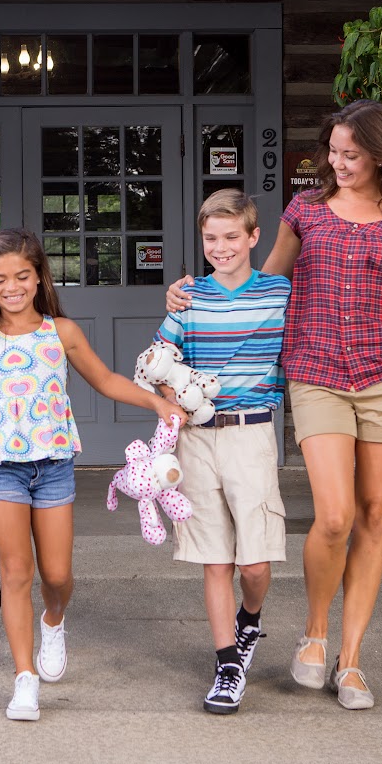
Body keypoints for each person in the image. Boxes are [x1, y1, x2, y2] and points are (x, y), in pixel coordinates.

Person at [168, 100, 382, 710]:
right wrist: (190, 297)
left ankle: (351, 659)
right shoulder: (306, 211)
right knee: (336, 514)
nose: (338, 163)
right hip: (317, 374)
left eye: (352, 154)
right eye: (333, 152)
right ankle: (313, 633)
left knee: (375, 513)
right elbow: (259, 283)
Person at [0, 228, 187, 722]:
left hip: (53, 470)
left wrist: (156, 401)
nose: (12, 287)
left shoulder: (61, 332)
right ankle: (24, 679)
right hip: (2, 471)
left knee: (56, 575)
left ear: (39, 277)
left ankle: (54, 620)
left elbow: (107, 380)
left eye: (22, 276)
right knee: (16, 572)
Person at [151, 189, 290, 715]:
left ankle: (249, 621)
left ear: (254, 237)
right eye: (211, 238)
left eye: (232, 237)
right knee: (215, 560)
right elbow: (158, 366)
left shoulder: (280, 294)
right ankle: (227, 664)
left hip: (251, 434)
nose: (221, 247)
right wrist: (171, 404)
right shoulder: (188, 300)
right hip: (196, 440)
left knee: (253, 563)